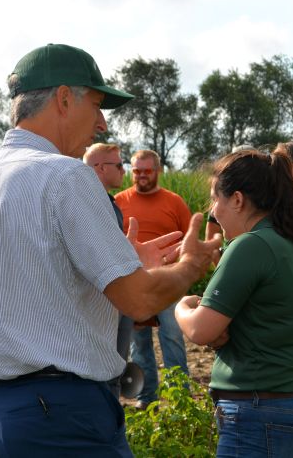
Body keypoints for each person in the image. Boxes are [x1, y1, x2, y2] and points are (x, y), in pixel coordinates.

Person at [0, 43, 221, 457]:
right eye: (96, 105)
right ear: (64, 98)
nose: (103, 124)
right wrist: (189, 266)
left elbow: (28, 283)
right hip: (57, 414)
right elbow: (139, 300)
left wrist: (123, 263)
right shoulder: (66, 176)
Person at [175, 149, 293, 457]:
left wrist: (182, 304)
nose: (213, 212)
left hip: (261, 415)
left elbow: (201, 330)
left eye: (214, 199)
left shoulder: (250, 245)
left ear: (238, 199)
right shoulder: (285, 242)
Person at [115, 149, 192, 409]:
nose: (141, 176)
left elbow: (189, 239)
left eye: (147, 171)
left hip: (167, 282)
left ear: (157, 171)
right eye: (137, 171)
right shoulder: (119, 201)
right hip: (133, 283)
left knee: (172, 338)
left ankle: (180, 400)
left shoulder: (174, 202)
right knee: (139, 344)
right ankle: (146, 399)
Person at [82, 142, 134, 398]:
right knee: (108, 375)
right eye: (120, 165)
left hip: (115, 299)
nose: (125, 171)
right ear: (101, 168)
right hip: (105, 303)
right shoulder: (86, 203)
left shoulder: (104, 202)